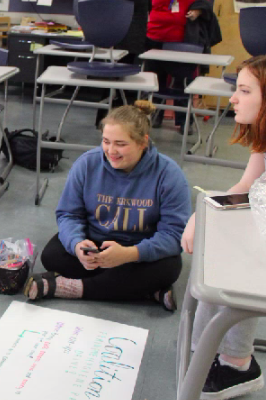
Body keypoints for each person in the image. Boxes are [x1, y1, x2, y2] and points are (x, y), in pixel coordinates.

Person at [181, 54, 266, 400]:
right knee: (221, 244)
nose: (233, 98)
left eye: (244, 90)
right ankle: (221, 356)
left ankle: (235, 363)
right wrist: (204, 211)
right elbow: (245, 188)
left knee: (232, 261)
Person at [24, 101, 191, 311]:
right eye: (105, 141)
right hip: (95, 245)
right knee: (52, 255)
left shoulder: (169, 174)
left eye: (121, 144)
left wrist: (130, 254)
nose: (111, 151)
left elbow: (175, 234)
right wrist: (78, 246)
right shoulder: (87, 164)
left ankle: (70, 287)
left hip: (139, 250)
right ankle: (146, 290)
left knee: (169, 268)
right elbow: (68, 214)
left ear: (143, 143)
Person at [145, 0, 208, 133]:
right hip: (156, 37)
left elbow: (204, 1)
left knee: (183, 80)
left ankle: (183, 121)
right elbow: (143, 5)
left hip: (183, 40)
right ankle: (155, 115)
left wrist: (197, 11)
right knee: (156, 80)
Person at [95, 0, 151, 127]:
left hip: (129, 39)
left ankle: (110, 122)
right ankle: (112, 123)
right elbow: (117, 7)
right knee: (118, 83)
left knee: (117, 83)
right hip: (126, 40)